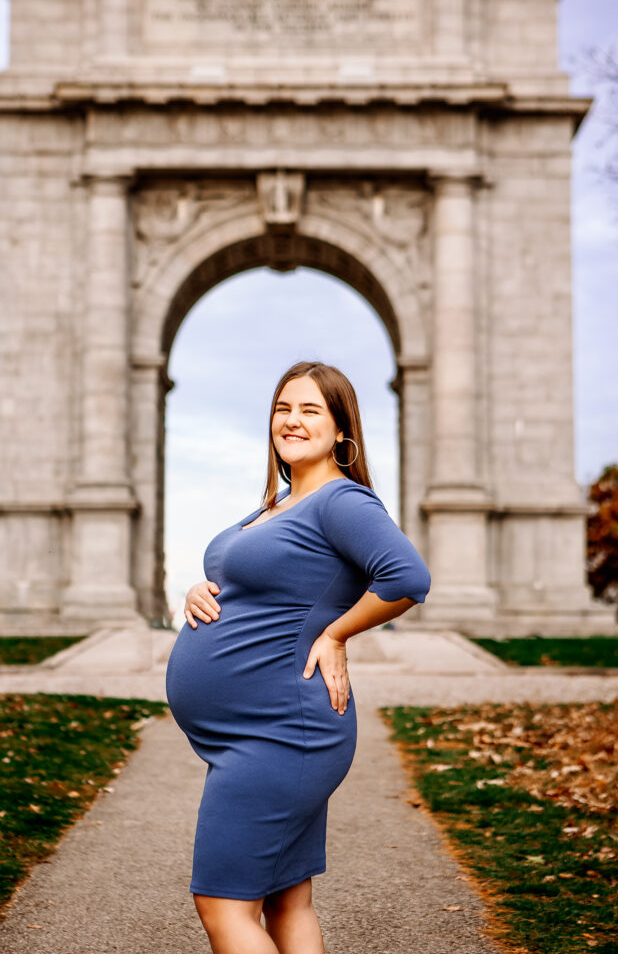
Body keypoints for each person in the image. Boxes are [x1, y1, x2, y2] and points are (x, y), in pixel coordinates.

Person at [166, 360, 431, 954]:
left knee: (223, 905)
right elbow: (248, 575)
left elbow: (408, 578)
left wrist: (336, 634)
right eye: (283, 408)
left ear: (342, 429)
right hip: (263, 734)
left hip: (283, 732)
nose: (292, 420)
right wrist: (201, 587)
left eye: (311, 409)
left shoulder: (341, 502)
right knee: (288, 901)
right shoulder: (279, 503)